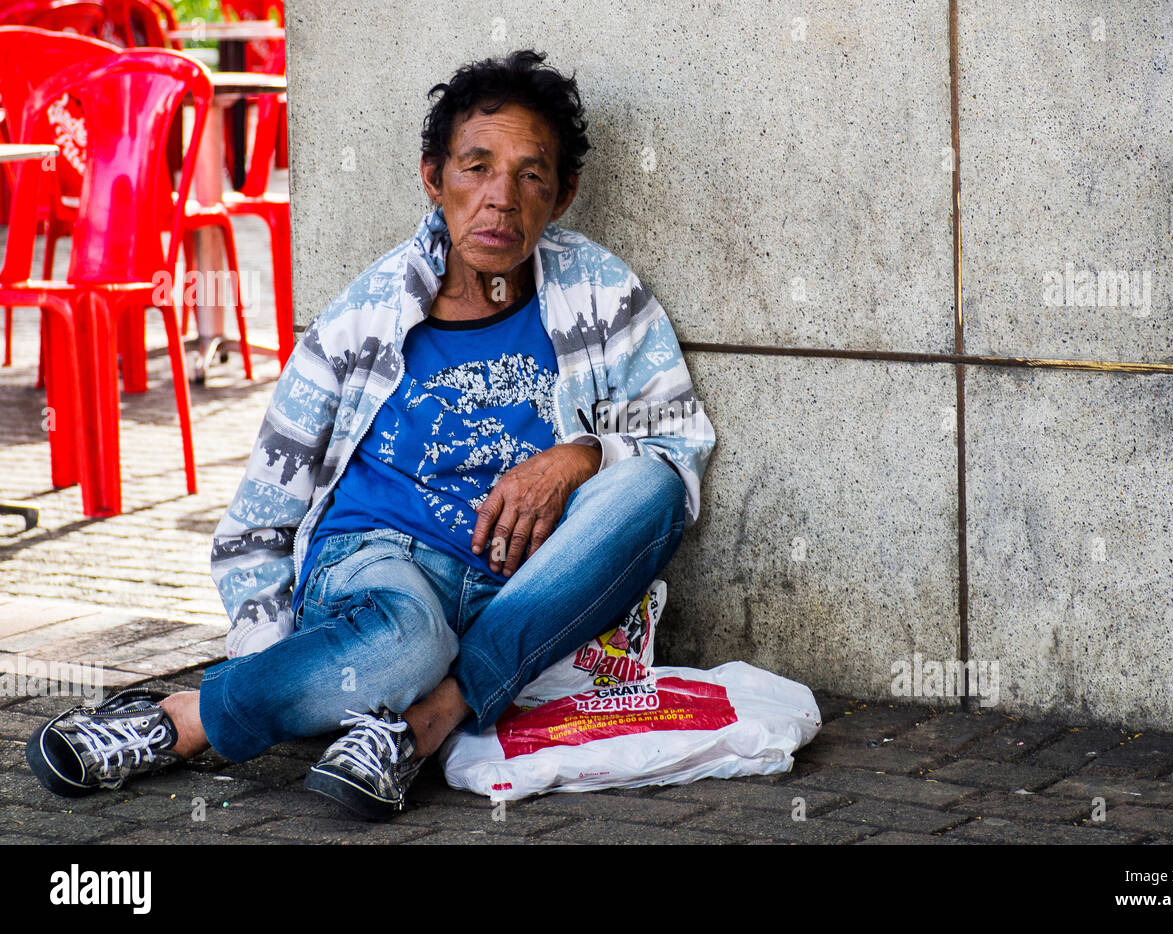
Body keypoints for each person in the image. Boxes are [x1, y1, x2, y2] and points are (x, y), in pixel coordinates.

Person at [26, 49, 715, 820]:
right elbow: (261, 513)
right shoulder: (365, 314)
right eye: (476, 168)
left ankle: (420, 721)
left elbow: (675, 446)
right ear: (433, 179)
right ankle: (184, 720)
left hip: (516, 590)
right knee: (411, 637)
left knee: (653, 488)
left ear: (563, 194)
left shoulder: (600, 291)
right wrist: (269, 660)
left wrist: (578, 456)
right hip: (374, 572)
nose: (500, 199)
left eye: (530, 175)